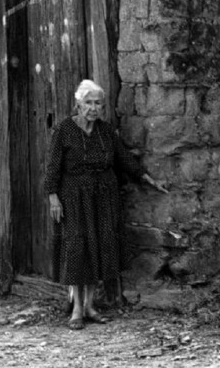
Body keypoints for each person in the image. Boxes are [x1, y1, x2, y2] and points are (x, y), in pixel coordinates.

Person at [45, 79, 167, 330]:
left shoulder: (106, 131)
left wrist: (147, 178)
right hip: (74, 197)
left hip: (103, 197)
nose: (93, 108)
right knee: (77, 247)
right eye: (88, 102)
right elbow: (53, 166)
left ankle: (91, 306)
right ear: (78, 104)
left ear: (103, 106)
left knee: (98, 248)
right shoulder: (64, 130)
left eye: (98, 103)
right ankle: (77, 309)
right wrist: (53, 197)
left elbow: (124, 158)